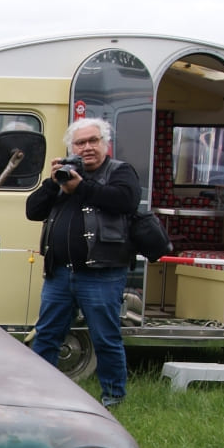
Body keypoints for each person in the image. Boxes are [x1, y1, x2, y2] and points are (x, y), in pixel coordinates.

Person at [25, 117, 141, 409]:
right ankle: (38, 398)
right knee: (47, 335)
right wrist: (53, 184)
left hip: (101, 273)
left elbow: (126, 201)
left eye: (93, 141)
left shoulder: (119, 171)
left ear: (106, 144)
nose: (87, 148)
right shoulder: (63, 175)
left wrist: (81, 187)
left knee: (105, 338)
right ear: (71, 148)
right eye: (80, 143)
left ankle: (113, 398)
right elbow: (32, 210)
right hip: (59, 273)